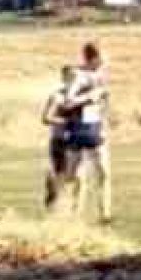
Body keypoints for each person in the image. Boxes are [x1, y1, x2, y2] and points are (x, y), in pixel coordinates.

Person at [60, 43, 112, 223]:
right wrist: (88, 97)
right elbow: (67, 102)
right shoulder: (79, 76)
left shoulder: (101, 75)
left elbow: (102, 105)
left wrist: (104, 124)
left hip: (95, 128)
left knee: (104, 172)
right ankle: (70, 212)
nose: (105, 61)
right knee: (74, 176)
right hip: (78, 128)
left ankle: (105, 213)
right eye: (102, 57)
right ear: (93, 58)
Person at [41, 65, 78, 210]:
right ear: (63, 78)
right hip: (59, 140)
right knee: (61, 174)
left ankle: (74, 208)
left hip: (76, 140)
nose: (73, 80)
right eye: (70, 76)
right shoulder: (56, 96)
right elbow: (45, 118)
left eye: (75, 77)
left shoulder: (81, 97)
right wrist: (65, 122)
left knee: (77, 175)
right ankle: (53, 193)